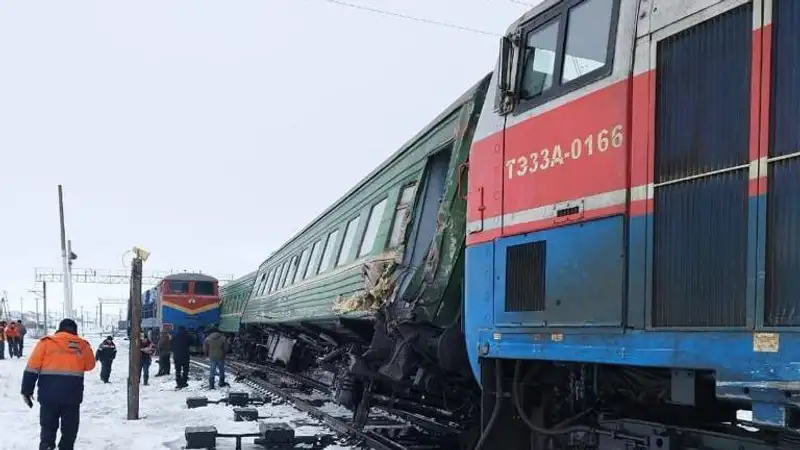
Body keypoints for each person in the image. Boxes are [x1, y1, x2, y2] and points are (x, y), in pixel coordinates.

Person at [21, 318, 95, 450]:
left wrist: (26, 390)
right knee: (69, 430)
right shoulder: (82, 345)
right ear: (75, 331)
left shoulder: (46, 343)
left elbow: (32, 368)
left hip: (48, 396)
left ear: (59, 329)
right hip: (72, 396)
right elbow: (90, 366)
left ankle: (47, 447)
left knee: (48, 429)